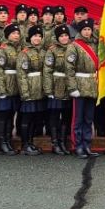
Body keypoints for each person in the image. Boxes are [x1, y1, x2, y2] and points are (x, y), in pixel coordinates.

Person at [66, 18, 100, 157]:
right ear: (80, 31)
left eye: (89, 29)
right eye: (84, 30)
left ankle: (86, 144)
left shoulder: (95, 45)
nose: (87, 32)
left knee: (88, 118)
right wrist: (73, 88)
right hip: (79, 87)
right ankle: (77, 145)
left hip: (92, 86)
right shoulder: (74, 46)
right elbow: (69, 69)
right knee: (78, 119)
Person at [42, 24, 74, 156]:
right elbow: (47, 71)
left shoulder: (73, 48)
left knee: (67, 116)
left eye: (66, 35)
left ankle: (63, 142)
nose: (64, 38)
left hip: (70, 86)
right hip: (56, 86)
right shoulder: (52, 50)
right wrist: (49, 90)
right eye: (61, 36)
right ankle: (55, 143)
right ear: (57, 37)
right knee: (55, 116)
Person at [0, 23, 23, 156]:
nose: (16, 35)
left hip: (16, 86)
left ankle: (8, 140)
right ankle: (2, 143)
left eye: (17, 33)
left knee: (11, 115)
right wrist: (1, 90)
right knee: (3, 115)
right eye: (13, 33)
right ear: (7, 35)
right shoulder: (2, 49)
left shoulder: (20, 49)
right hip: (5, 85)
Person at [16, 25, 45, 155]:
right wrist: (25, 92)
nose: (37, 38)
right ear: (30, 38)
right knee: (26, 118)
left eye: (39, 36)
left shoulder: (44, 52)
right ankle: (24, 144)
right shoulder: (24, 53)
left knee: (34, 119)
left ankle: (31, 142)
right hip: (29, 90)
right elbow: (21, 75)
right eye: (34, 36)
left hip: (40, 90)